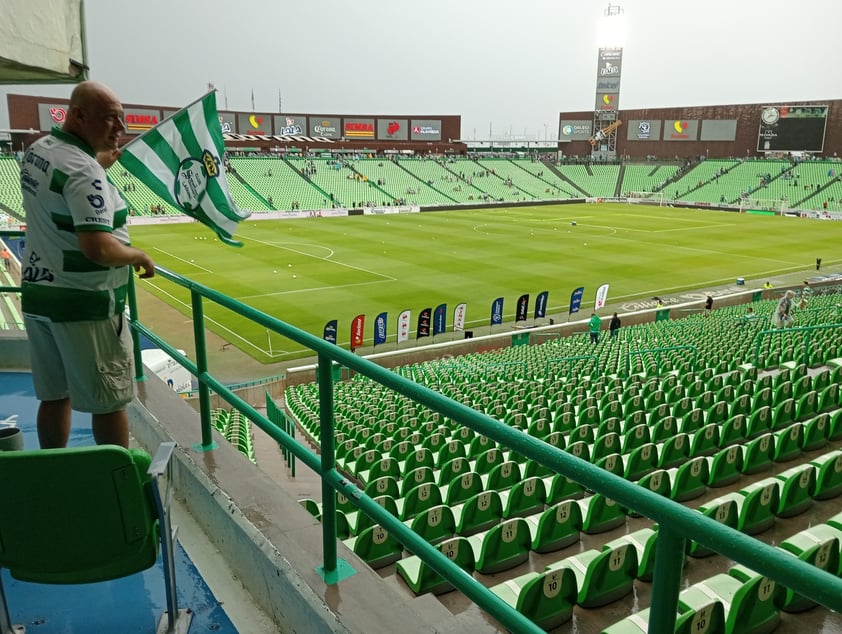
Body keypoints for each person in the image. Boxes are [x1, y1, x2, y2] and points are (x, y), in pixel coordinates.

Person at [19, 81, 155, 450]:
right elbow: (97, 247)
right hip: (84, 305)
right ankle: (114, 488)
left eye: (122, 120)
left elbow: (66, 180)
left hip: (38, 297)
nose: (120, 130)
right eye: (110, 119)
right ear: (78, 116)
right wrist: (138, 255)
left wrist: (96, 163)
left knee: (53, 396)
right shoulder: (84, 171)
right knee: (109, 405)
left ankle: (53, 472)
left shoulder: (39, 150)